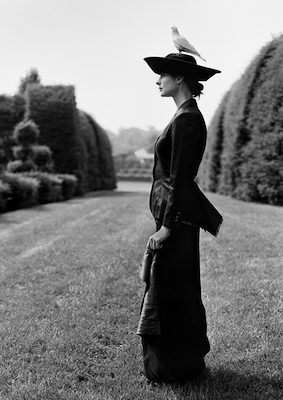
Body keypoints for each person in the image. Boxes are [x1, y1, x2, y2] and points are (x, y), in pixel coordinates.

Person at [136, 53, 223, 383]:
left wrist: (168, 228)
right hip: (175, 219)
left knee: (172, 291)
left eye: (163, 75)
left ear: (180, 80)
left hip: (178, 222)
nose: (157, 80)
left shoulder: (187, 119)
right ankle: (176, 364)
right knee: (171, 289)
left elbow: (180, 178)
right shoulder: (183, 115)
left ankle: (173, 366)